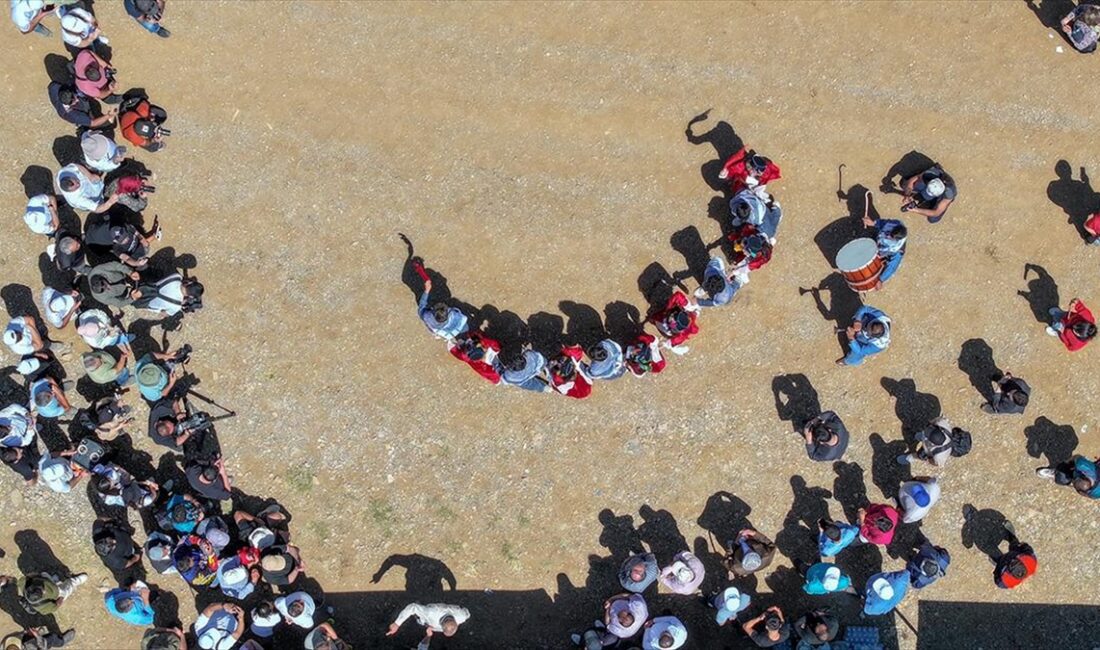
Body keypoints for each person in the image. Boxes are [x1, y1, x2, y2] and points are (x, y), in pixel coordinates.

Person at [5, 572, 88, 615]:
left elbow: (30, 575)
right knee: (67, 589)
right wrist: (62, 596)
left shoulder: (23, 584)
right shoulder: (51, 595)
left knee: (44, 574)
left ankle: (56, 580)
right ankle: (75, 581)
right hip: (56, 591)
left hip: (47, 581)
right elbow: (57, 603)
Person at [386, 602, 471, 643]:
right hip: (430, 612)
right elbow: (413, 607)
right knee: (420, 620)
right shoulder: (430, 613)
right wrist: (397, 623)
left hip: (436, 618)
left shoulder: (462, 616)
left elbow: (467, 612)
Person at [862, 212, 907, 288]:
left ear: (897, 240)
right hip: (879, 242)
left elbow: (892, 266)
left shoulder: (898, 250)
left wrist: (881, 279)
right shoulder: (892, 223)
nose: (888, 236)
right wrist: (873, 223)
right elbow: (882, 223)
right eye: (889, 232)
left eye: (891, 237)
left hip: (882, 251)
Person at [416, 275, 467, 340]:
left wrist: (427, 291)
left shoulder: (428, 317)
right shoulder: (453, 314)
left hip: (440, 329)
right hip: (454, 328)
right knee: (465, 328)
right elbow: (460, 315)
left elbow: (421, 309)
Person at [990, 521, 1037, 589]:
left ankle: (996, 557)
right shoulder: (1031, 563)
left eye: (1011, 564)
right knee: (1014, 544)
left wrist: (998, 569)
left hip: (1004, 563)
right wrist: (1022, 546)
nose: (1011, 561)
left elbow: (997, 581)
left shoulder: (1006, 582)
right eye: (1015, 562)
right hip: (1014, 555)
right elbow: (1029, 550)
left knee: (994, 554)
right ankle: (1011, 536)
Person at [897, 417, 962, 467]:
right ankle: (917, 436)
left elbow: (935, 463)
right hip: (932, 446)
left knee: (920, 455)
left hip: (931, 450)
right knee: (921, 435)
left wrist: (928, 460)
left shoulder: (939, 457)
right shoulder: (942, 423)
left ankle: (908, 458)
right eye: (930, 430)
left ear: (932, 443)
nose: (926, 432)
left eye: (927, 436)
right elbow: (933, 421)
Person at [132, 274, 203, 317]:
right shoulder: (176, 306)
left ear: (189, 282)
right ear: (190, 296)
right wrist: (183, 302)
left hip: (143, 288)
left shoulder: (177, 277)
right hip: (144, 302)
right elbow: (163, 314)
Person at [0, 627, 76, 650]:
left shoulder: (7, 642)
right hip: (40, 645)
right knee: (52, 638)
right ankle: (62, 642)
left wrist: (26, 632)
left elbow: (18, 634)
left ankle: (41, 632)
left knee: (41, 630)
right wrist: (37, 636)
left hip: (28, 639)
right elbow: (42, 647)